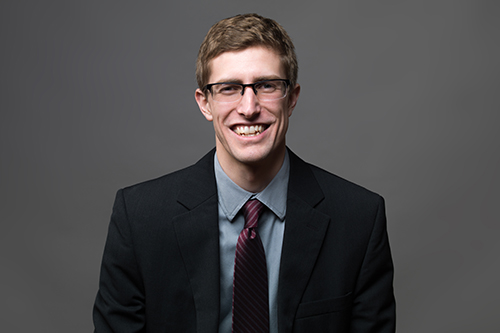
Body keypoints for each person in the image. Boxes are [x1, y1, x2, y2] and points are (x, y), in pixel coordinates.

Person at [93, 13, 395, 333]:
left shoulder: (358, 219)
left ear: (291, 98)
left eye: (266, 85)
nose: (249, 107)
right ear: (205, 103)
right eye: (229, 88)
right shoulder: (140, 218)